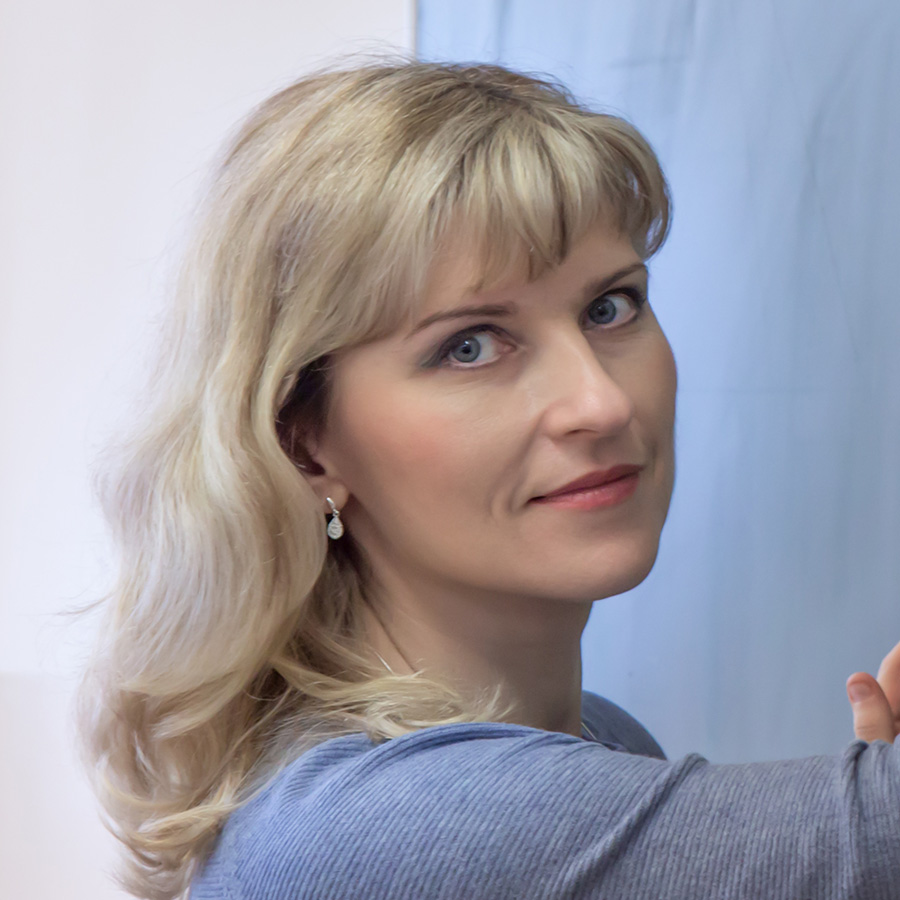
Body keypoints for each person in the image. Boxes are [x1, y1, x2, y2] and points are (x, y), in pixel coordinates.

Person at [78, 60, 900, 900]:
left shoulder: (599, 739)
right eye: (469, 346)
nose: (601, 402)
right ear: (305, 447)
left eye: (610, 307)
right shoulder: (383, 823)